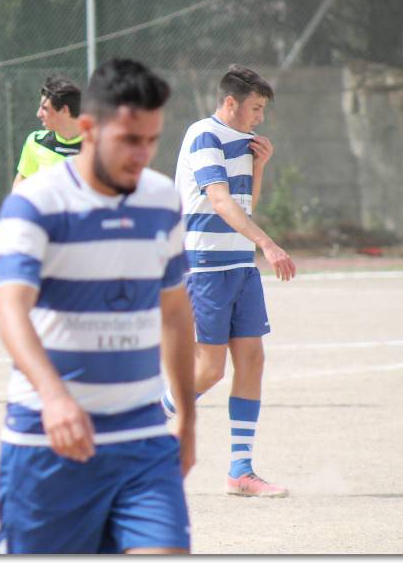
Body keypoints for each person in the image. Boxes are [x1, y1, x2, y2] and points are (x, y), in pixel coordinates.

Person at [0, 59, 196, 554]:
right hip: (48, 442)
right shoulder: (33, 203)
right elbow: (11, 309)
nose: (142, 154)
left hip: (142, 439)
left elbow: (174, 312)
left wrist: (187, 420)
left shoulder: (162, 201)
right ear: (87, 129)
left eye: (151, 140)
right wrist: (55, 398)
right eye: (129, 140)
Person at [164, 64, 296, 498]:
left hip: (240, 266)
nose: (260, 116)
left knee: (253, 360)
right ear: (230, 103)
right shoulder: (204, 135)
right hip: (205, 267)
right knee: (209, 370)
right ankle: (145, 420)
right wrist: (269, 245)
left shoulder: (246, 141)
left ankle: (241, 471)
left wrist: (260, 166)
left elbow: (244, 203)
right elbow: (219, 202)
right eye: (255, 108)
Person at [11, 74, 83, 189]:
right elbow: (20, 188)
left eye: (45, 108)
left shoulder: (98, 146)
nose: (38, 114)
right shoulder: (35, 142)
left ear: (64, 110)